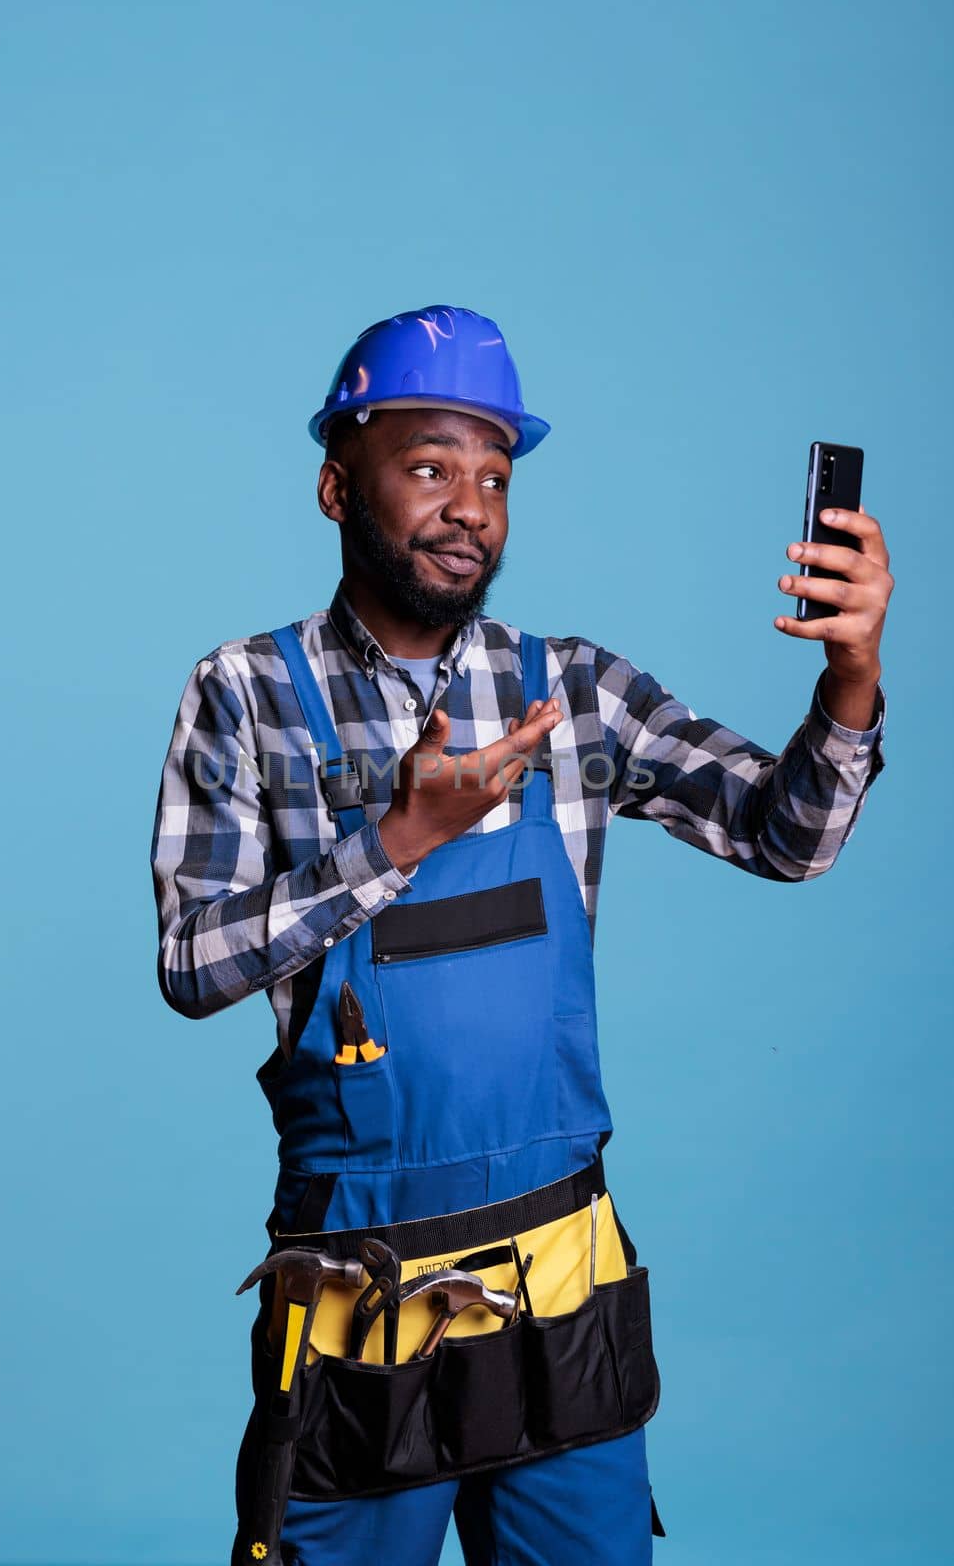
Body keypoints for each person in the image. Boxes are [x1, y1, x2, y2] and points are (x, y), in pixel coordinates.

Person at [149, 305, 891, 1566]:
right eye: (429, 466)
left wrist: (850, 681)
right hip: (359, 1306)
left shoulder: (574, 692)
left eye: (493, 476)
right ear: (339, 486)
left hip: (564, 1295)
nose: (469, 506)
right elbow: (193, 965)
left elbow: (790, 837)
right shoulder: (247, 693)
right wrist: (394, 841)